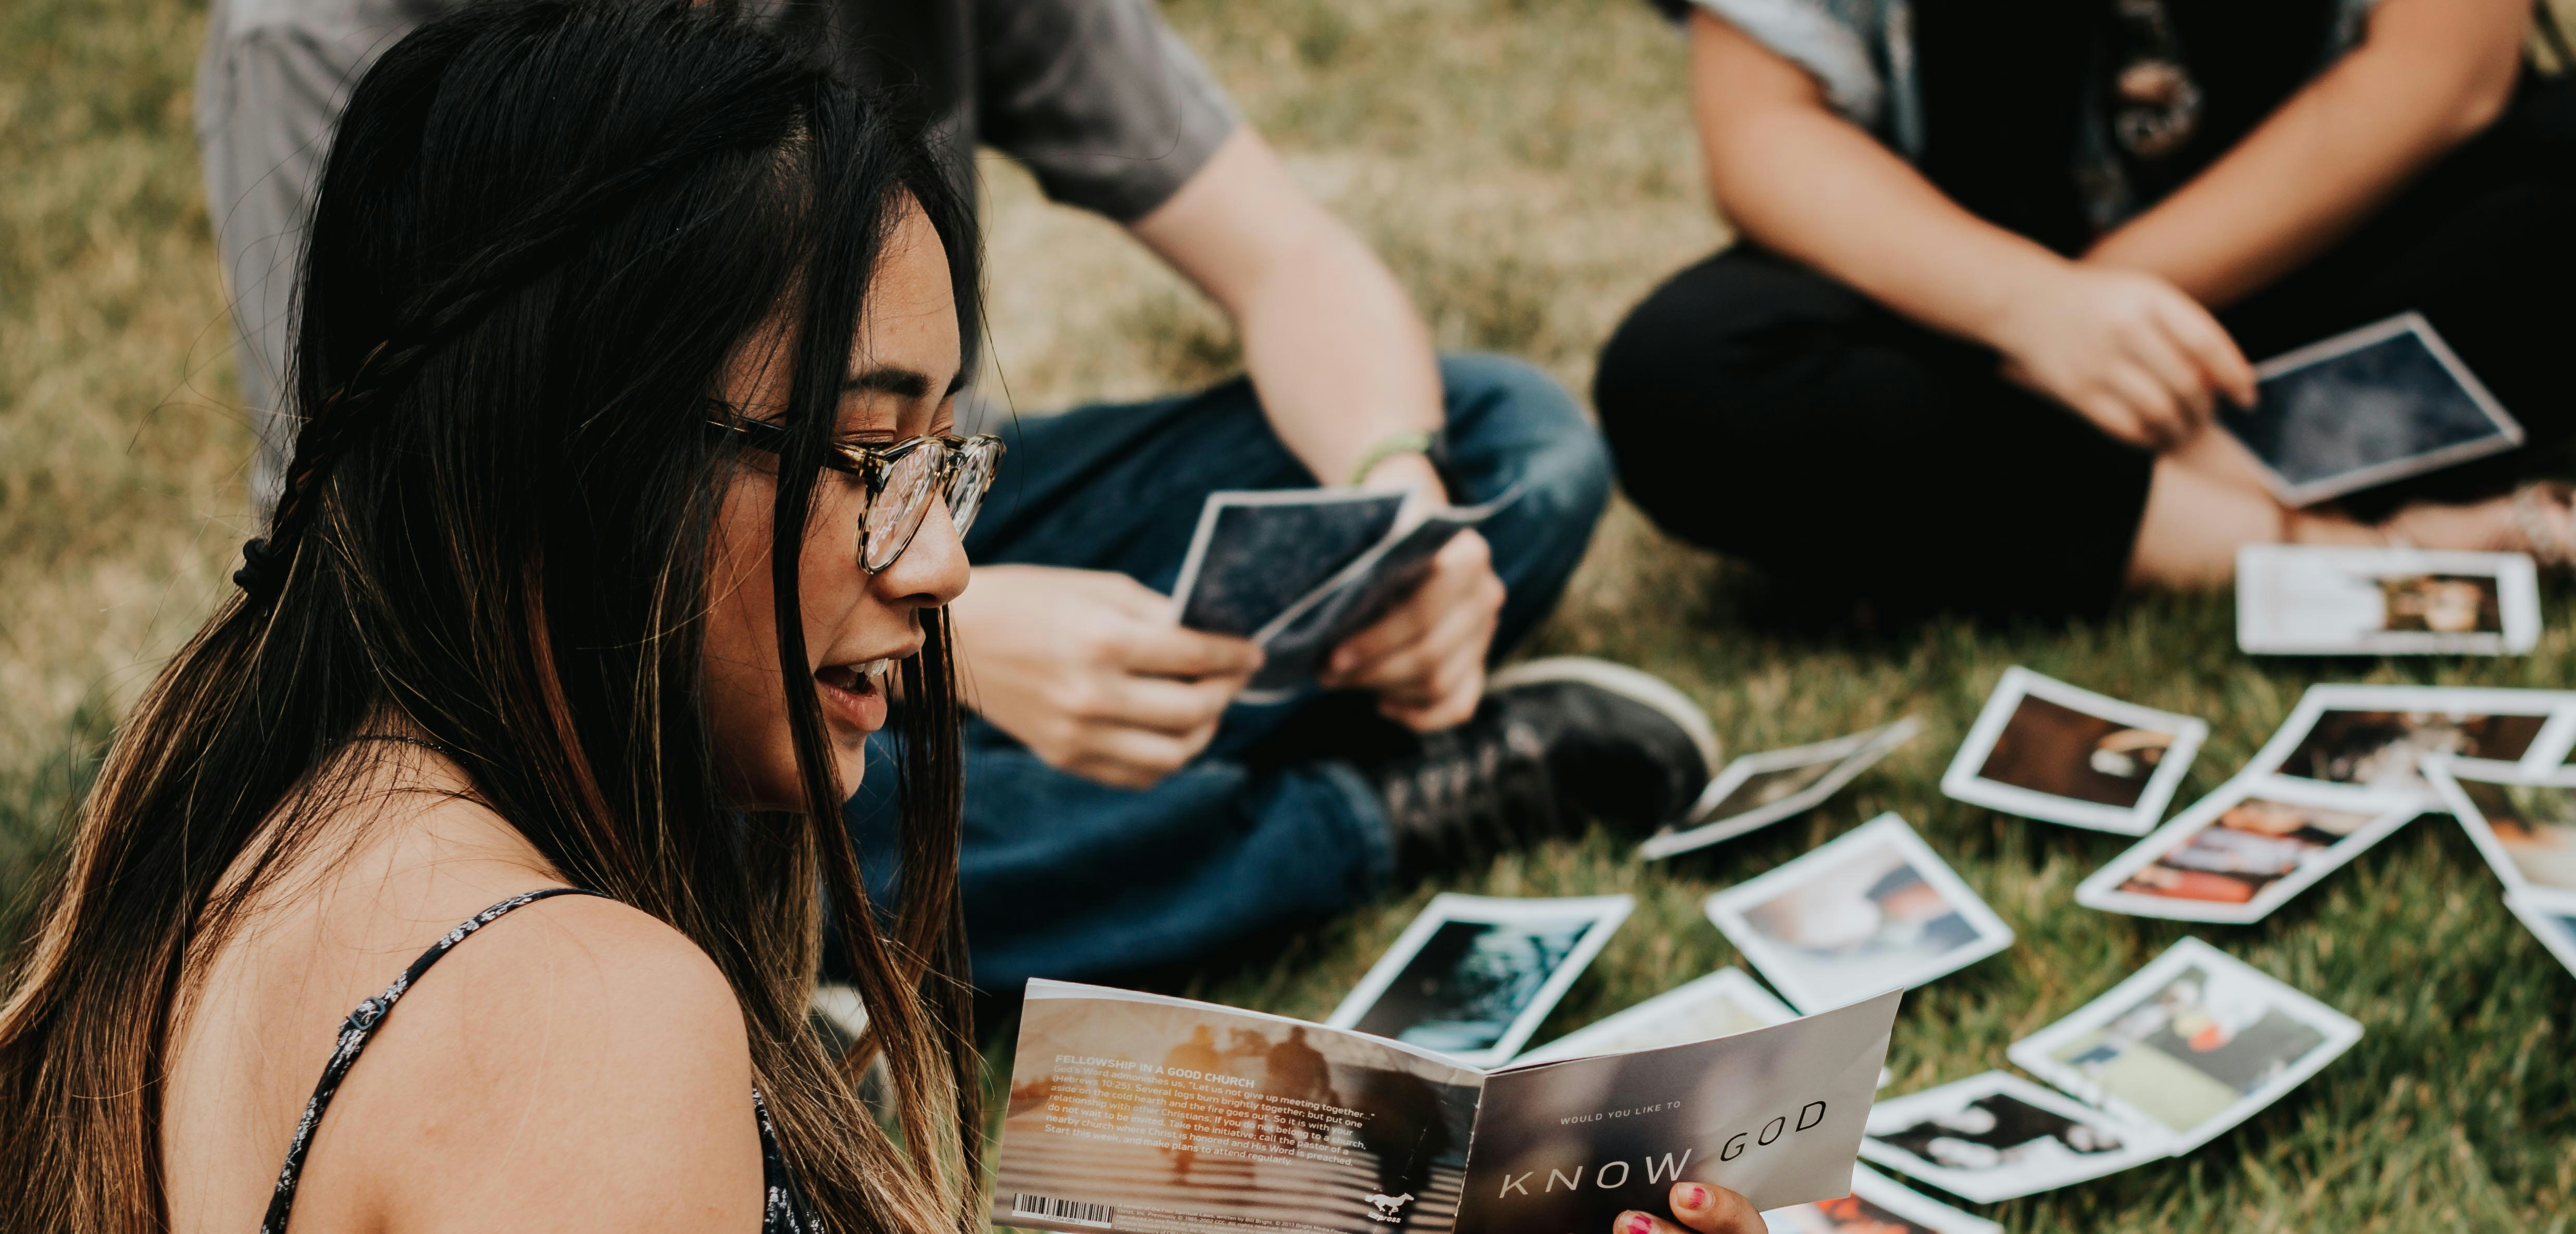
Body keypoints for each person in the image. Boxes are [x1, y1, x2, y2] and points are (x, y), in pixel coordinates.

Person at [0, 9, 1767, 1234]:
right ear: (588, 442)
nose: (939, 570)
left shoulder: (259, 813)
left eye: (951, 460)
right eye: (867, 457)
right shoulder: (559, 1009)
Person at [200, 0, 1718, 998]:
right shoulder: (324, 35)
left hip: (913, 501)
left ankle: (1037, 805)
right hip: (623, 627)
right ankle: (1330, 808)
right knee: (648, 880)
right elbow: (377, 561)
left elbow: (1285, 255)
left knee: (1506, 442)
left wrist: (1399, 504)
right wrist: (955, 642)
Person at [1595, 0, 2576, 626]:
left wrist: (2125, 305)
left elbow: (2448, 70)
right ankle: (2336, 550)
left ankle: (2041, 505)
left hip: (2297, 285)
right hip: (1974, 306)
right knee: (1688, 376)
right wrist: (2034, 311)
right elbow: (1765, 132)